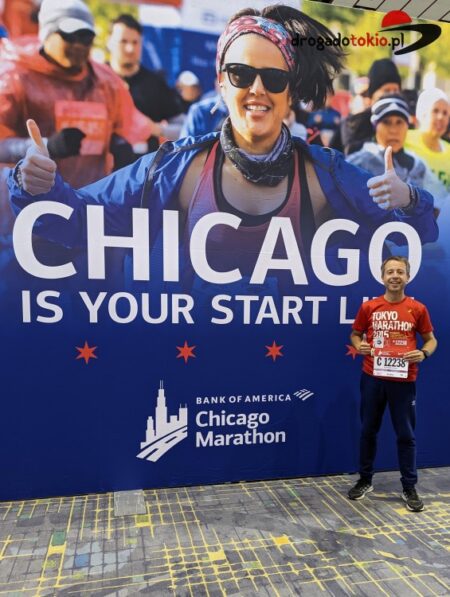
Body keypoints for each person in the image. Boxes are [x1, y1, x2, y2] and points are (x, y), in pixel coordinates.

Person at [8, 5, 438, 294]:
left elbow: (410, 243)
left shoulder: (326, 174)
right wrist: (37, 188)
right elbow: (79, 224)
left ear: (290, 93)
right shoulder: (175, 168)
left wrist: (409, 201)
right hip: (193, 366)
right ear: (220, 83)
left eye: (274, 78)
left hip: (290, 376)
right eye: (240, 74)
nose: (257, 89)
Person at [0, 0, 145, 188]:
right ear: (47, 34)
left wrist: (119, 142)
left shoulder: (106, 82)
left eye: (85, 37)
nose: (78, 45)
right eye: (70, 35)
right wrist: (46, 146)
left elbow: (130, 126)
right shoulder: (16, 76)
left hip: (91, 198)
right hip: (32, 201)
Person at [348, 256, 437, 512]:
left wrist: (423, 353)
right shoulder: (370, 307)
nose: (395, 276)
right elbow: (355, 334)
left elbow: (431, 340)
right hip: (372, 378)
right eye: (390, 272)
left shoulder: (418, 308)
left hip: (404, 381)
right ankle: (365, 480)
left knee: (406, 435)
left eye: (400, 272)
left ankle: (409, 486)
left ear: (407, 277)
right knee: (368, 430)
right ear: (382, 277)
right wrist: (360, 346)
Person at [347, 94, 448, 215]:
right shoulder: (356, 163)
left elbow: (440, 203)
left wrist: (413, 198)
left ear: (407, 126)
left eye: (399, 122)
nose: (393, 130)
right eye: (386, 122)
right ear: (375, 126)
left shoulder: (418, 166)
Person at [107, 13, 184, 151]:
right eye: (123, 41)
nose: (130, 48)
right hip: (100, 162)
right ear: (109, 41)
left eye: (135, 42)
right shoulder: (95, 79)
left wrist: (156, 129)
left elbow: (185, 127)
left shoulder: (155, 83)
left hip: (143, 161)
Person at [331, 58, 401, 155]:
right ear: (373, 95)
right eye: (386, 90)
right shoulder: (354, 124)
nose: (392, 95)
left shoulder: (404, 122)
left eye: (396, 90)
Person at [405, 88, 450, 191]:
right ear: (423, 112)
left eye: (445, 113)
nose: (440, 117)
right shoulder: (404, 138)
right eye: (435, 111)